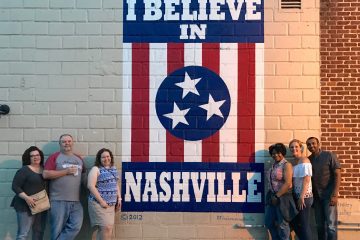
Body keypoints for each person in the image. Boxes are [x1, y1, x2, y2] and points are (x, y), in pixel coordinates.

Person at [43, 134, 85, 240]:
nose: (67, 143)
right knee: (56, 230)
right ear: (60, 144)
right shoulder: (54, 157)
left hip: (76, 202)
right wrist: (66, 172)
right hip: (58, 201)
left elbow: (84, 177)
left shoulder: (79, 159)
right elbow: (46, 174)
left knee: (76, 226)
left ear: (72, 142)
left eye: (69, 141)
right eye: (64, 141)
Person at [306, 137, 341, 240]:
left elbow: (338, 174)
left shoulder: (329, 155)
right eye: (308, 144)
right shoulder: (309, 160)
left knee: (331, 226)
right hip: (316, 198)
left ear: (318, 144)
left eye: (313, 143)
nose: (311, 146)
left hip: (329, 196)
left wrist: (334, 194)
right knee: (320, 226)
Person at [11, 146, 48, 240]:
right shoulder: (24, 170)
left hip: (41, 205)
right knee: (23, 234)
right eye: (32, 156)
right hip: (25, 206)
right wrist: (27, 198)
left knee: (39, 232)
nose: (36, 157)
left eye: (37, 155)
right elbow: (15, 186)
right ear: (29, 158)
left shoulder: (45, 170)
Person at [87, 148, 121, 240]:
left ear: (111, 157)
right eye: (103, 157)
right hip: (99, 204)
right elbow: (91, 186)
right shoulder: (96, 169)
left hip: (111, 205)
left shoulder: (113, 169)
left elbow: (115, 184)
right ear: (99, 159)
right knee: (105, 228)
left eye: (108, 156)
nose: (106, 159)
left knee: (108, 228)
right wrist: (102, 201)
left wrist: (119, 198)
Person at [265, 143, 294, 240]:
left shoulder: (287, 165)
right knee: (269, 222)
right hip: (272, 197)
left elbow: (288, 183)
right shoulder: (273, 165)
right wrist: (272, 196)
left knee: (283, 224)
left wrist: (277, 196)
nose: (275, 155)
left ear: (283, 153)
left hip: (283, 197)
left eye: (278, 153)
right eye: (273, 153)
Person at [289, 139, 313, 240]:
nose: (294, 149)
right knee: (294, 222)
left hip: (305, 197)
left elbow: (307, 180)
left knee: (304, 224)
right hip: (296, 196)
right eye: (291, 147)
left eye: (296, 147)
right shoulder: (294, 163)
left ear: (301, 148)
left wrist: (302, 197)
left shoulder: (305, 160)